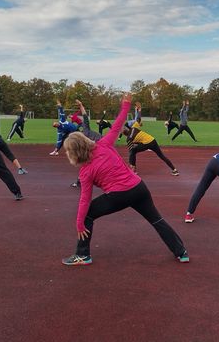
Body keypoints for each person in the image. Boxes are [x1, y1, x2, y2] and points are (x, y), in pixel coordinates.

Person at [61, 93, 189, 266]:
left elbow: (85, 200)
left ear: (74, 153)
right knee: (156, 220)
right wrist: (125, 105)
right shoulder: (104, 144)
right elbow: (117, 126)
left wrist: (79, 224)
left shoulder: (85, 171)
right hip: (139, 187)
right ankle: (181, 252)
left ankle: (83, 255)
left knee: (87, 216)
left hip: (119, 195)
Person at [70, 100, 103, 188]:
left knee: (87, 164)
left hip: (100, 144)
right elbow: (84, 116)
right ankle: (79, 181)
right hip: (100, 144)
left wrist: (81, 106)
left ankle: (80, 182)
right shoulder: (84, 132)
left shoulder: (84, 132)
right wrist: (81, 106)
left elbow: (85, 116)